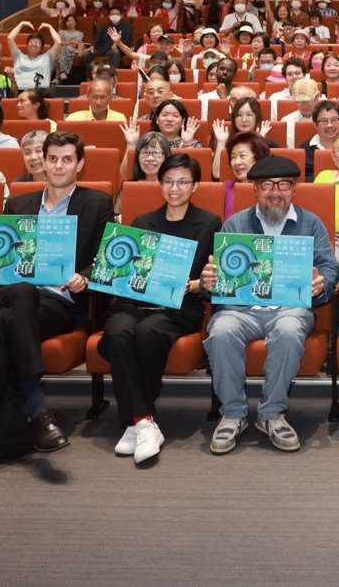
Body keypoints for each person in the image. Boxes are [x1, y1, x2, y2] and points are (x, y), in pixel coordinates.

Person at [0, 132, 113, 495]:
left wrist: (83, 277)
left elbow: (102, 261)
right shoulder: (18, 205)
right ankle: (38, 410)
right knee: (17, 292)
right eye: (52, 158)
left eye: (67, 159)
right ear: (41, 160)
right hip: (6, 293)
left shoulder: (96, 203)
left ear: (80, 163)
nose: (58, 166)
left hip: (57, 302)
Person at [201, 154, 339, 455]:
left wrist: (321, 285)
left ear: (294, 189)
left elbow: (330, 269)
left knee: (290, 330)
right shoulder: (235, 223)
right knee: (222, 329)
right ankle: (233, 414)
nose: (275, 191)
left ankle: (271, 414)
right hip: (242, 310)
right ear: (254, 189)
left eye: (284, 185)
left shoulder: (310, 222)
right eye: (267, 184)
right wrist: (209, 282)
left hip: (290, 308)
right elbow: (217, 276)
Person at [103, 153, 217, 466]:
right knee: (117, 332)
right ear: (160, 183)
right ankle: (143, 421)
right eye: (168, 181)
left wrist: (192, 285)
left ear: (195, 186)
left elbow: (212, 279)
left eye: (182, 182)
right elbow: (127, 272)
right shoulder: (142, 222)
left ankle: (134, 421)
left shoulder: (208, 223)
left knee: (147, 333)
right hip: (136, 302)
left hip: (179, 307)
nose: (175, 188)